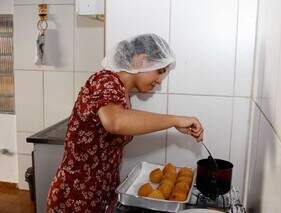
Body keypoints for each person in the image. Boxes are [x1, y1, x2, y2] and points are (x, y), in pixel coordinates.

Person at [46, 33, 204, 213]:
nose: (159, 81)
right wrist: (175, 120)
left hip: (102, 194)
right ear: (141, 60)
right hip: (75, 196)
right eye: (160, 71)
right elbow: (116, 122)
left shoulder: (122, 94)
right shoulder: (104, 81)